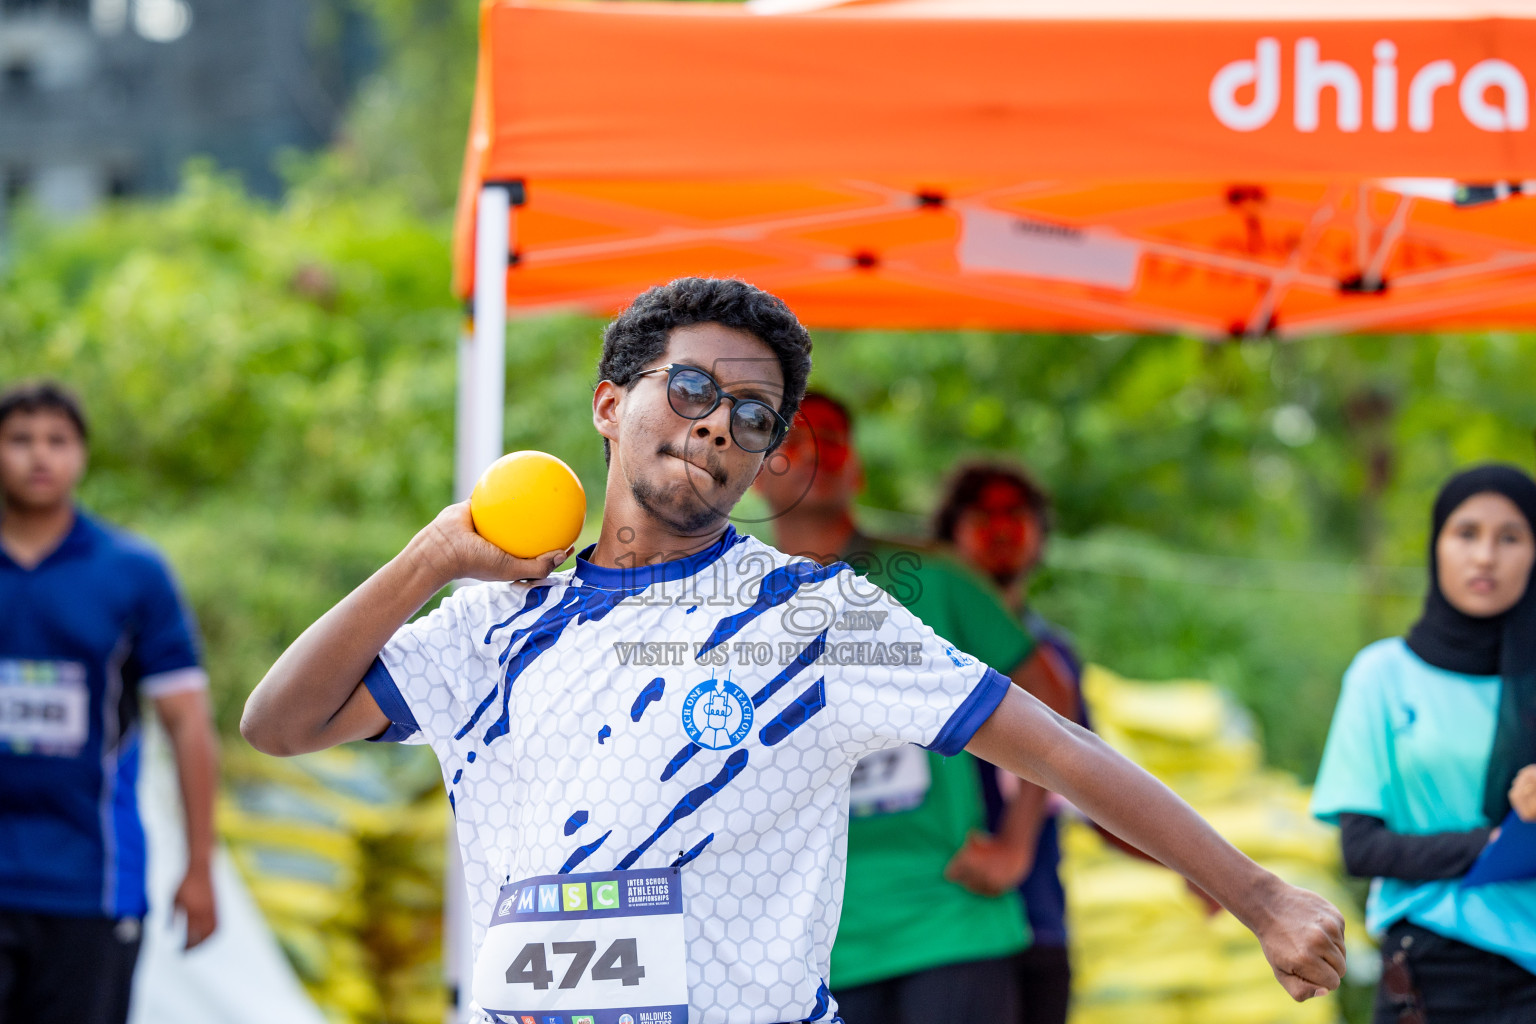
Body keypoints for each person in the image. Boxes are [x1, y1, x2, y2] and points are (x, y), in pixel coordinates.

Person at [242, 277, 1346, 1024]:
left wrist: (1258, 896)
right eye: (693, 389)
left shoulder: (819, 618)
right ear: (608, 404)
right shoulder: (491, 617)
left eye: (756, 415)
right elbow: (278, 722)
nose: (723, 424)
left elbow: (1054, 743)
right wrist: (431, 556)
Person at [752, 395, 1062, 1024]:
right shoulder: (727, 600)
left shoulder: (934, 577)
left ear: (858, 470)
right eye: (788, 437)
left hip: (949, 923)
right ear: (754, 469)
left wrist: (1017, 847)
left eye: (834, 437)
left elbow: (1053, 698)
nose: (812, 449)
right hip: (808, 950)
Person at [0, 382, 220, 1024]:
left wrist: (199, 866)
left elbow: (187, 722)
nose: (39, 456)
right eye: (19, 440)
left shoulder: (130, 572)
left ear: (82, 456)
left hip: (92, 885)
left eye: (57, 441)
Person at [1312, 464, 1536, 1024]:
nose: (1485, 557)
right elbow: (1361, 848)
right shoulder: (1383, 675)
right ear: (1436, 545)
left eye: (1509, 537)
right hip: (1430, 969)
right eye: (1467, 533)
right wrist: (1497, 841)